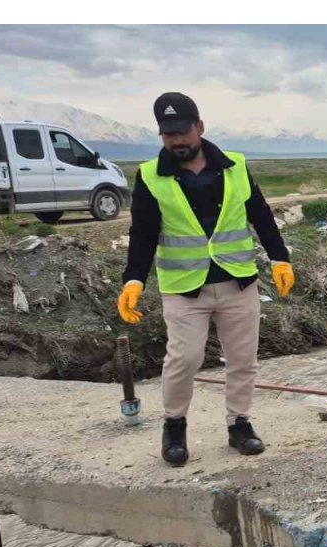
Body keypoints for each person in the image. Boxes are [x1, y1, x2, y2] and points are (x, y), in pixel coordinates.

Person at [116, 92, 295, 467]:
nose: (177, 141)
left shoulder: (234, 166)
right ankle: (175, 425)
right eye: (168, 135)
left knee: (243, 359)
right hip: (184, 287)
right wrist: (134, 280)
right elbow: (143, 232)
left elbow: (260, 215)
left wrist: (280, 258)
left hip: (237, 281)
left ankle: (239, 424)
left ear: (199, 127)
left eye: (182, 132)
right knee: (184, 358)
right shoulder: (150, 175)